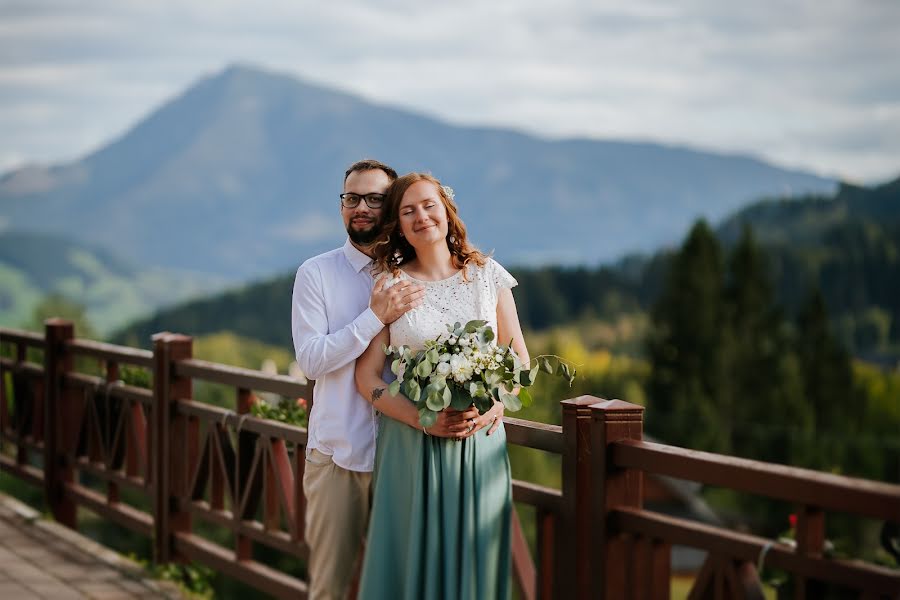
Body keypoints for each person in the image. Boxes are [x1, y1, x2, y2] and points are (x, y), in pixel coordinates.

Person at [292, 160, 481, 600]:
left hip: (411, 454)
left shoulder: (419, 273)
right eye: (350, 198)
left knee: (404, 586)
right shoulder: (316, 274)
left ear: (392, 208)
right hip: (340, 455)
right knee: (330, 587)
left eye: (374, 198)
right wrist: (373, 317)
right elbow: (311, 361)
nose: (360, 207)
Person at [354, 173, 523, 599]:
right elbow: (367, 377)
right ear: (398, 224)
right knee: (410, 554)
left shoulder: (488, 276)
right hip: (412, 442)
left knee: (476, 557)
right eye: (407, 211)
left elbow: (519, 359)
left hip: (479, 440)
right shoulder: (390, 286)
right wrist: (419, 420)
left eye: (429, 205)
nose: (421, 217)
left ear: (446, 211)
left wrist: (498, 404)